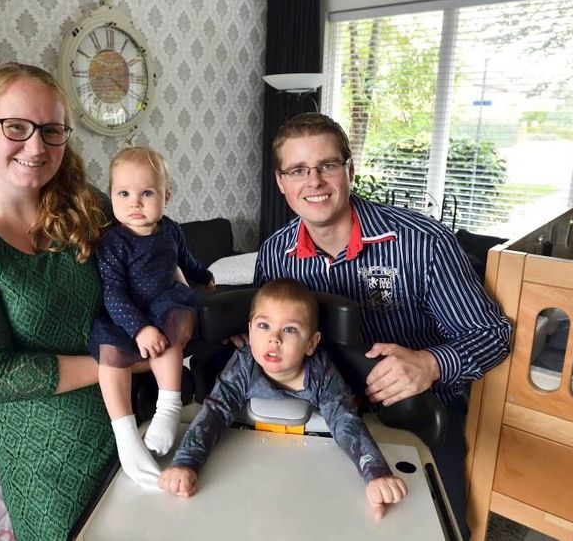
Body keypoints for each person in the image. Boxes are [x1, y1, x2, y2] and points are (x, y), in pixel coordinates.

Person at [252, 113, 512, 539]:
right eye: (298, 170)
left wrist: (431, 363)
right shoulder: (274, 253)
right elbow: (270, 330)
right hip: (318, 411)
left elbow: (493, 334)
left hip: (418, 417)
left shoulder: (425, 243)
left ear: (349, 170)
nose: (313, 181)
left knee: (433, 529)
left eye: (327, 166)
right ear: (282, 182)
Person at [0, 62, 117, 540]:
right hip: (50, 465)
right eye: (16, 127)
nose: (36, 146)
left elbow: (146, 272)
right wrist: (119, 364)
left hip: (142, 424)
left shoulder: (88, 206)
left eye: (51, 131)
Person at [159, 278, 407, 520]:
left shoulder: (321, 372)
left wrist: (376, 474)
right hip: (250, 467)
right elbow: (214, 413)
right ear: (249, 330)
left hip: (308, 474)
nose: (273, 338)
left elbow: (345, 421)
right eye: (263, 326)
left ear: (311, 343)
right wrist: (185, 463)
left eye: (289, 329)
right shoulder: (244, 364)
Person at [90, 146, 214, 490]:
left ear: (166, 196)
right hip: (126, 311)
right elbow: (113, 291)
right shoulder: (113, 242)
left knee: (173, 321)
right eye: (124, 194)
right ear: (112, 196)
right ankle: (125, 434)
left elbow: (186, 261)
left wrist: (203, 277)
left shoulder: (170, 230)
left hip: (164, 301)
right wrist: (139, 328)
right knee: (109, 354)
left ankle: (169, 406)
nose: (135, 203)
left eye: (147, 193)